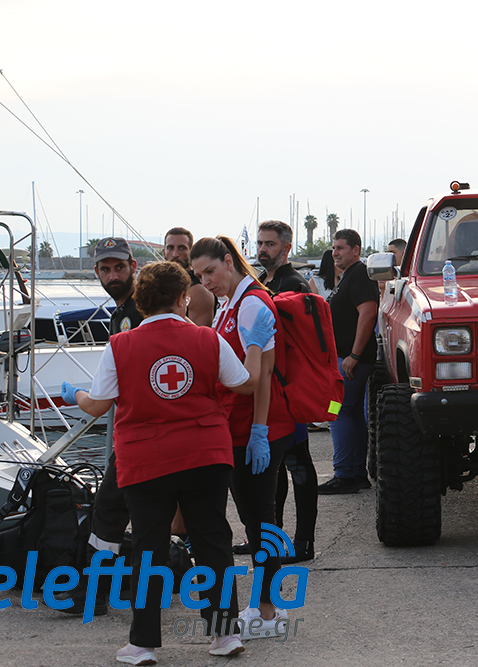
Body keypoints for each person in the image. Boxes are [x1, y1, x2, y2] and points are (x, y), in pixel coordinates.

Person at [63, 261, 275, 662]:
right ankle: (224, 634)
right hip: (205, 456)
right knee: (213, 541)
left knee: (149, 547)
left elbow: (97, 405)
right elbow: (246, 384)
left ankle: (142, 644)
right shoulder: (208, 339)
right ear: (182, 299)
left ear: (141, 302)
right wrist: (254, 345)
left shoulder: (120, 346)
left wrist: (75, 395)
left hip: (145, 461)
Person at [190, 236, 294, 636]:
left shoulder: (251, 304)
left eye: (210, 271)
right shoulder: (230, 303)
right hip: (236, 425)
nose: (206, 282)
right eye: (200, 276)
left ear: (229, 262)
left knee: (260, 521)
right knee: (256, 519)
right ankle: (265, 606)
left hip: (253, 427)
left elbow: (262, 374)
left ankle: (268, 610)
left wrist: (259, 430)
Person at [55, 238, 141, 617]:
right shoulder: (121, 312)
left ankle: (93, 593)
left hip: (137, 433)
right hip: (142, 431)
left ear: (133, 266)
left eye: (119, 267)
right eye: (105, 269)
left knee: (109, 511)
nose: (113, 275)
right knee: (124, 512)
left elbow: (107, 396)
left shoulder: (132, 313)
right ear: (96, 272)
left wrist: (78, 396)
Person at [227, 220, 316, 565]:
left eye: (270, 244)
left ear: (286, 247)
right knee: (273, 475)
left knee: (298, 464)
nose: (263, 249)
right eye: (261, 243)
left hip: (286, 393)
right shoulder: (264, 282)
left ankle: (304, 541)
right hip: (272, 393)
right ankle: (266, 537)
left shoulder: (294, 283)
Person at [317, 229, 379, 494]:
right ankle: (356, 473)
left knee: (336, 411)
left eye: (340, 248)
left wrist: (354, 355)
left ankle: (343, 474)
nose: (335, 253)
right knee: (351, 413)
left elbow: (368, 314)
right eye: (334, 248)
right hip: (346, 360)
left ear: (356, 250)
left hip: (351, 362)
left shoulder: (361, 274)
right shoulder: (348, 276)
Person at [164, 227, 217, 326]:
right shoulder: (161, 285)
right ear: (164, 252)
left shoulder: (198, 291)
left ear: (191, 252)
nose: (175, 254)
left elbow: (198, 334)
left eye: (182, 248)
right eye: (170, 248)